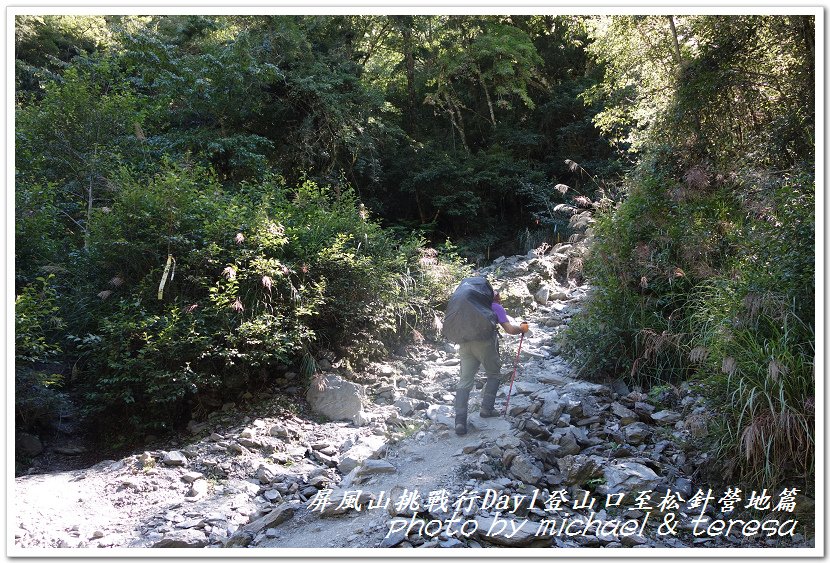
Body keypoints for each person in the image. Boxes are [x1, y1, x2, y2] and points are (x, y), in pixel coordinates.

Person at [455, 290, 529, 436]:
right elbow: (509, 329)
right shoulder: (495, 307)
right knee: (494, 374)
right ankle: (486, 409)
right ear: (496, 298)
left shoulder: (468, 306)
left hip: (465, 344)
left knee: (464, 381)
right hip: (484, 345)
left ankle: (459, 422)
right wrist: (521, 328)